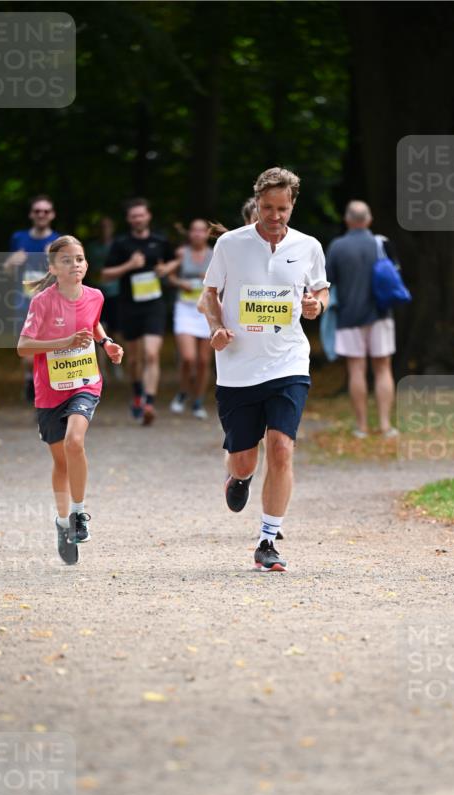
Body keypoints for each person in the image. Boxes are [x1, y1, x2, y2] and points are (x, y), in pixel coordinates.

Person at [198, 166, 329, 571]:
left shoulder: (308, 246)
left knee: (281, 448)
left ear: (293, 205)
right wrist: (218, 328)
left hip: (288, 361)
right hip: (238, 368)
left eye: (282, 209)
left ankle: (267, 540)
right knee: (244, 460)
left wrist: (316, 305)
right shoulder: (231, 245)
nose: (274, 217)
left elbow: (320, 288)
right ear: (256, 203)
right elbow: (208, 295)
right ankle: (238, 478)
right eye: (267, 208)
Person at [16, 235, 124, 563]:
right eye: (66, 260)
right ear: (53, 267)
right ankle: (62, 522)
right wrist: (62, 342)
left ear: (86, 264)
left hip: (84, 383)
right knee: (61, 461)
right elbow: (23, 347)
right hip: (49, 390)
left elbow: (92, 324)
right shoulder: (42, 302)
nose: (74, 264)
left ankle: (78, 515)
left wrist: (106, 343)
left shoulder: (96, 295)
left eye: (79, 259)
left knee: (74, 443)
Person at [326, 201, 398, 439]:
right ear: (368, 220)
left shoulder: (337, 247)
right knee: (383, 367)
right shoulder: (382, 243)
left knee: (356, 369)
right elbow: (394, 273)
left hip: (349, 316)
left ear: (347, 220)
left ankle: (362, 426)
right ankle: (386, 425)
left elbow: (327, 281)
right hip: (380, 314)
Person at [101, 198, 174, 424]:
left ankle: (149, 402)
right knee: (133, 360)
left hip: (154, 304)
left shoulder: (160, 240)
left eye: (141, 215)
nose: (138, 219)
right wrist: (129, 266)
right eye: (134, 216)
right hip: (128, 306)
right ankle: (136, 394)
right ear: (129, 219)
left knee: (151, 354)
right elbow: (105, 274)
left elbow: (174, 261)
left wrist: (165, 268)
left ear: (148, 216)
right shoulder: (121, 244)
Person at [4, 194, 61, 403]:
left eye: (45, 211)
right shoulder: (18, 238)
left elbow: (69, 274)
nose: (41, 215)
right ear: (31, 214)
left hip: (52, 302)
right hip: (24, 301)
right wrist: (11, 263)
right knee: (28, 352)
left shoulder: (58, 240)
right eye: (37, 211)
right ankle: (30, 378)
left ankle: (46, 391)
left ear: (52, 215)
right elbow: (6, 271)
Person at [166, 219, 215, 418]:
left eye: (201, 231)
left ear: (207, 233)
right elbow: (168, 276)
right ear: (189, 233)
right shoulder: (181, 253)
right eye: (193, 230)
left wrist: (209, 281)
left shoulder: (215, 255)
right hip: (185, 308)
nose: (197, 234)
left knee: (204, 361)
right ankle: (183, 392)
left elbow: (226, 281)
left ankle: (198, 401)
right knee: (188, 358)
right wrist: (180, 283)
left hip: (206, 309)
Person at [86, 215, 123, 379]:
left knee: (118, 330)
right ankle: (102, 369)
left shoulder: (118, 245)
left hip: (116, 293)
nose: (104, 230)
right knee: (100, 330)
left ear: (112, 228)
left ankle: (117, 363)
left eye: (107, 226)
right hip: (98, 294)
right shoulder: (92, 248)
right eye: (101, 227)